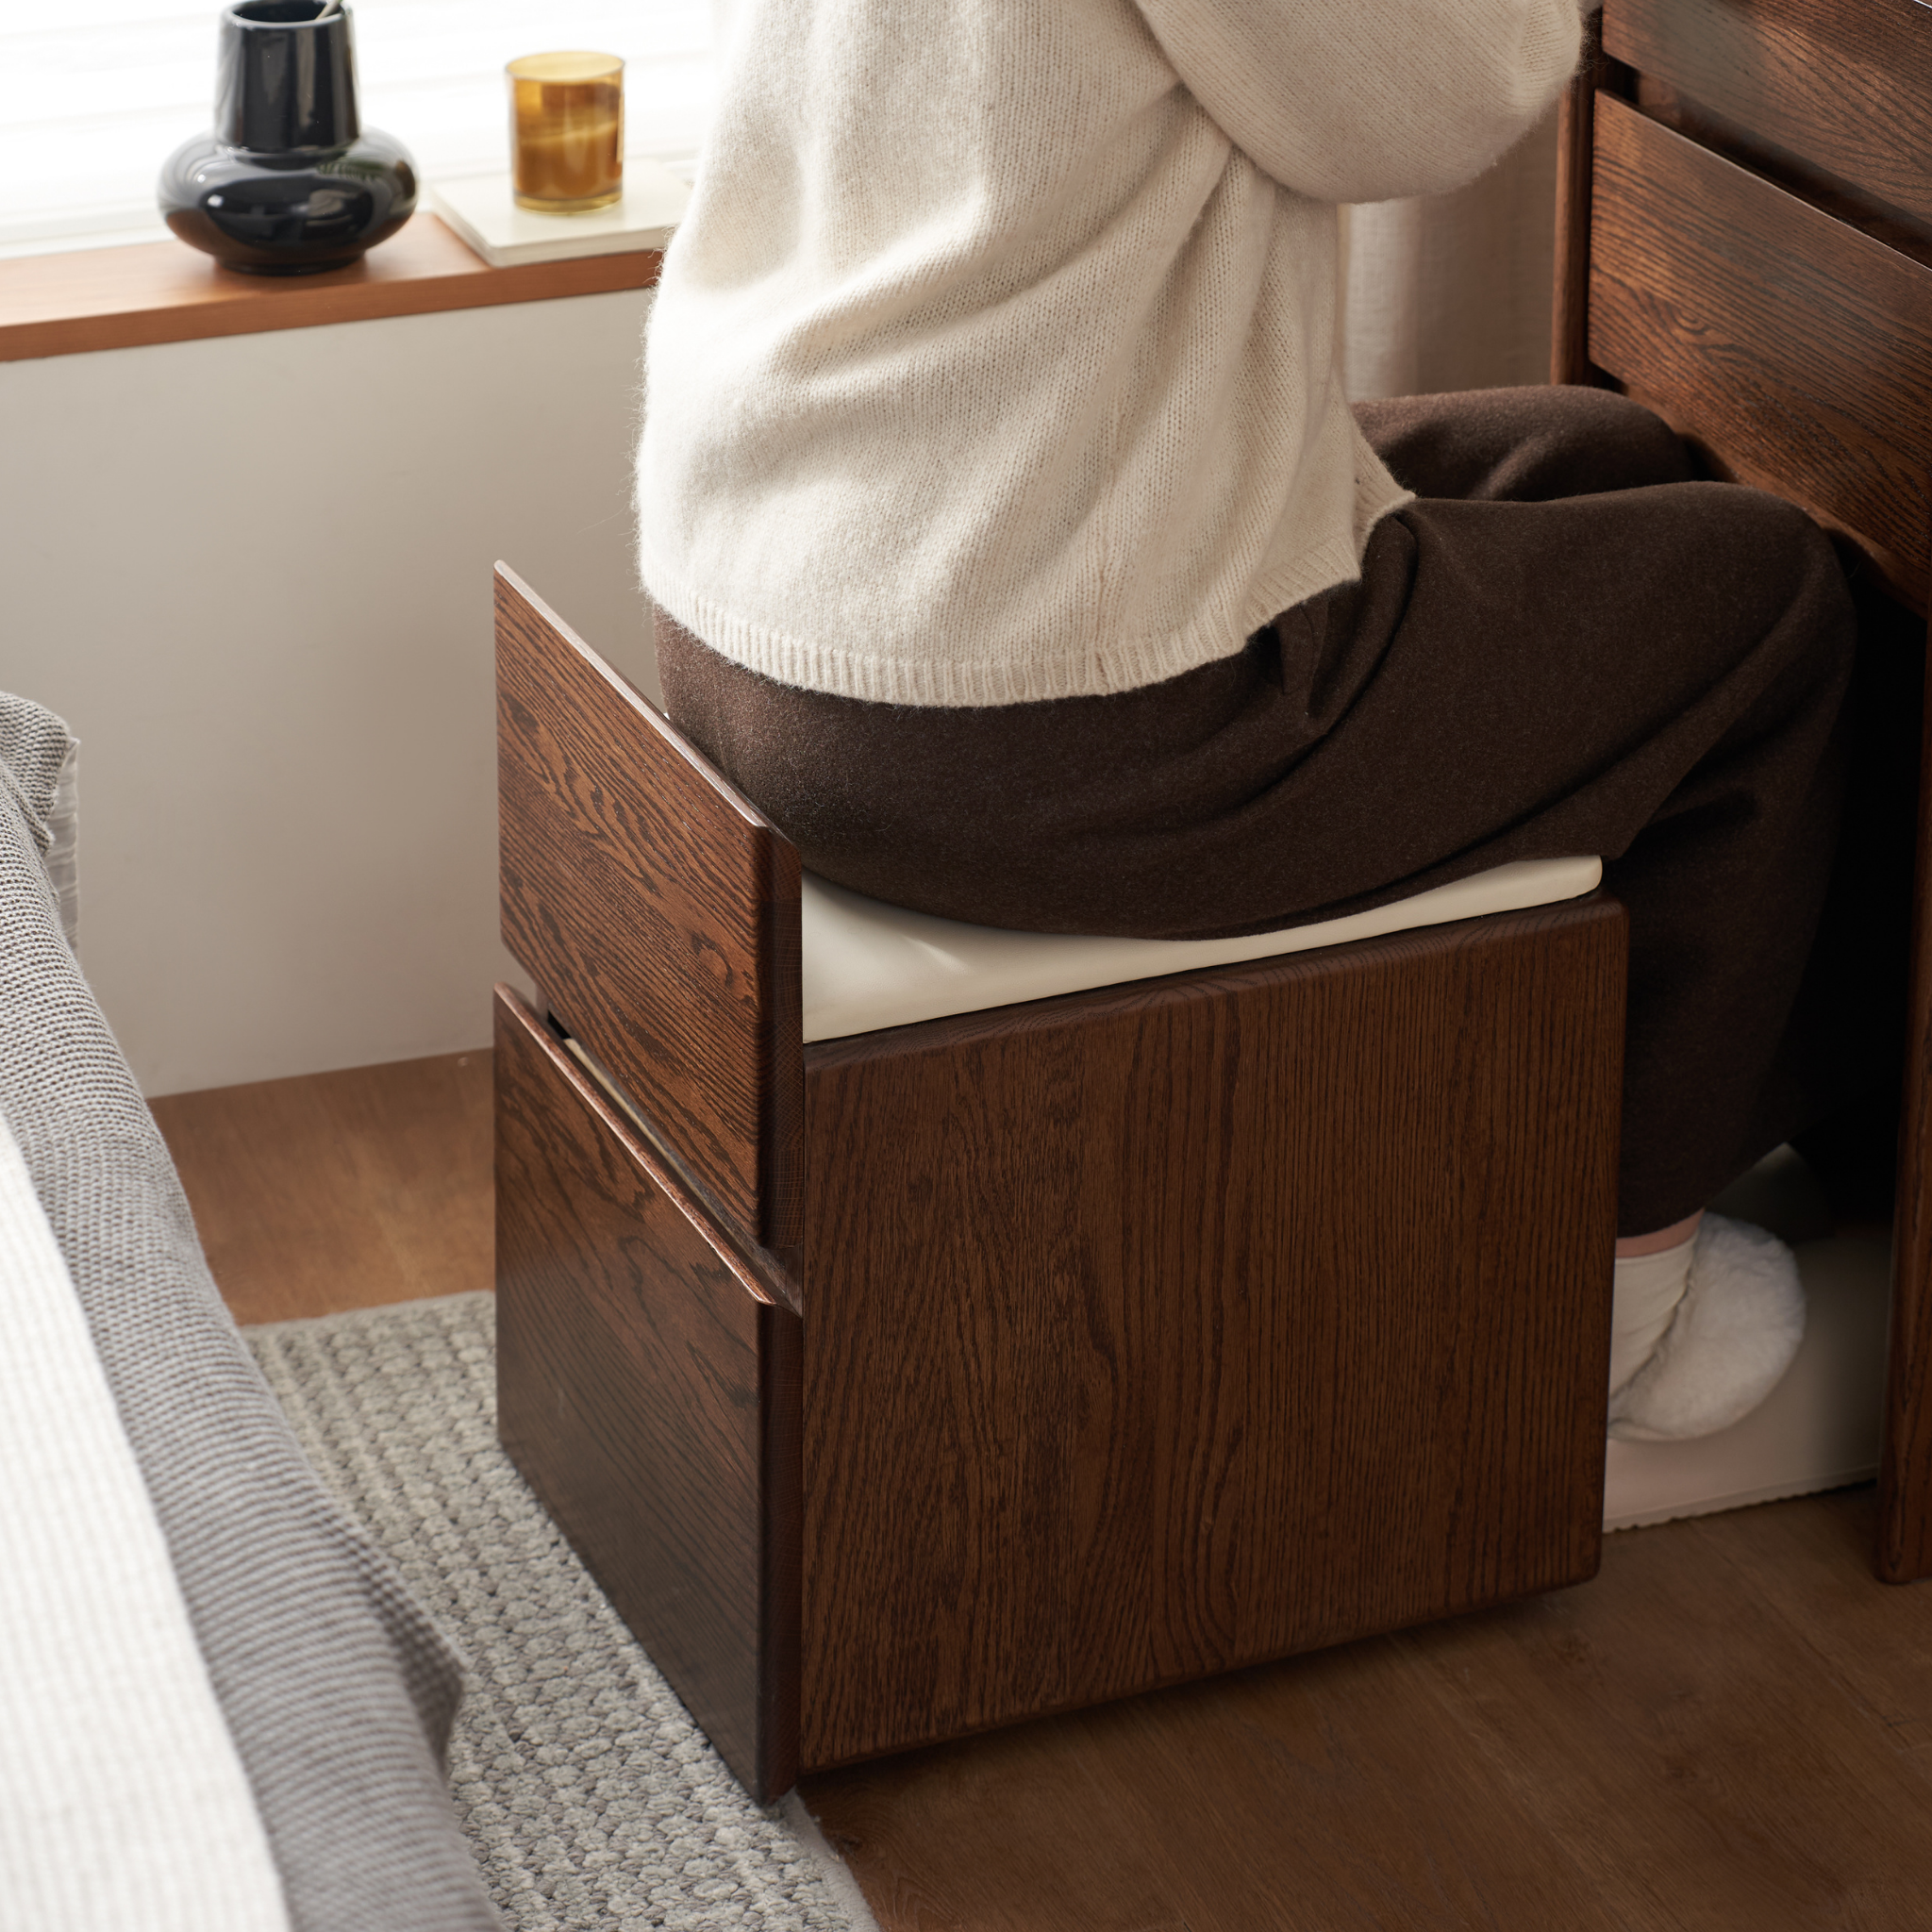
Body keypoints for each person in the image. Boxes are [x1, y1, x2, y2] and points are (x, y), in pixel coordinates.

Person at [637, 0, 1902, 1440]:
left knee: (1604, 456)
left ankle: (1621, 1101)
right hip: (1020, 714)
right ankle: (1622, 1294)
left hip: (782, 613)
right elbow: (1446, 93)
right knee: (1768, 607)